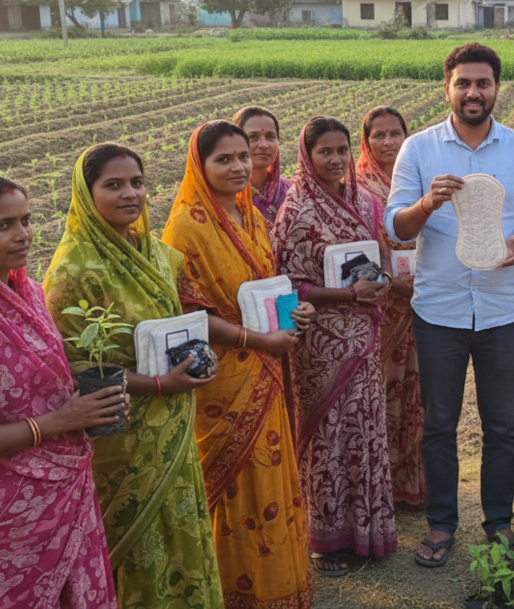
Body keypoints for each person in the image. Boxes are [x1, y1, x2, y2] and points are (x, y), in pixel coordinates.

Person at [386, 43, 514, 567]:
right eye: (464, 83)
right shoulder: (418, 149)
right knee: (439, 421)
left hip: (504, 308)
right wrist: (427, 203)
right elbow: (395, 229)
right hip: (439, 310)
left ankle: (498, 523)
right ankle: (441, 524)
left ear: (496, 88)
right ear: (448, 88)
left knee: (501, 422)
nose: (473, 92)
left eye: (483, 83)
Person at [43, 145, 225, 609]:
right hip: (123, 433)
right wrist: (160, 385)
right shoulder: (72, 269)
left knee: (178, 523)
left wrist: (196, 355)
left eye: (138, 183)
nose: (131, 194)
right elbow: (79, 367)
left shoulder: (156, 254)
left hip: (175, 417)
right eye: (114, 185)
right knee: (136, 538)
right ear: (86, 194)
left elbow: (176, 322)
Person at [161, 122, 316, 608]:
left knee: (270, 469)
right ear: (199, 165)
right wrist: (259, 340)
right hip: (223, 377)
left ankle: (278, 584)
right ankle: (234, 590)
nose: (238, 167)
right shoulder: (185, 226)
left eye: (243, 157)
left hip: (267, 361)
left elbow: (263, 289)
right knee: (233, 480)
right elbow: (193, 315)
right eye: (223, 159)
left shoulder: (252, 215)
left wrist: (296, 311)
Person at [0, 175, 125, 609]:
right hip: (8, 515)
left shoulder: (28, 291)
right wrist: (57, 422)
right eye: (3, 225)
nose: (23, 234)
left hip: (66, 487)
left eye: (26, 220)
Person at [271, 115, 397, 576]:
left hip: (364, 336)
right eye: (325, 151)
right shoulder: (296, 210)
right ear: (307, 155)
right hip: (321, 343)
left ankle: (368, 531)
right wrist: (347, 295)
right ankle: (325, 539)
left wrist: (379, 283)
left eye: (342, 150)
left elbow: (379, 255)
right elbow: (288, 284)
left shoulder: (365, 202)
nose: (336, 159)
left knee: (365, 430)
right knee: (329, 435)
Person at [355, 106, 425, 506]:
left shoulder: (416, 179)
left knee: (420, 391)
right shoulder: (357, 185)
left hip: (423, 302)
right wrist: (390, 283)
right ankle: (381, 486)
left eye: (395, 133)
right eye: (378, 135)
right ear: (366, 141)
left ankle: (413, 484)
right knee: (383, 393)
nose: (388, 142)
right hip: (381, 308)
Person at [233, 105, 292, 224]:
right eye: (253, 137)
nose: (264, 145)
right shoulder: (227, 197)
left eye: (270, 136)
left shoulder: (290, 192)